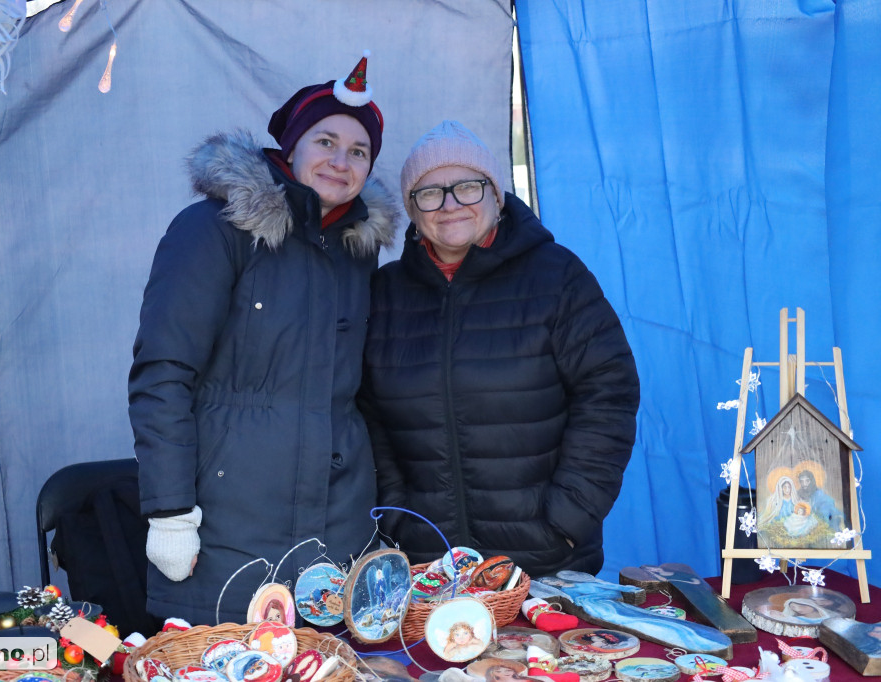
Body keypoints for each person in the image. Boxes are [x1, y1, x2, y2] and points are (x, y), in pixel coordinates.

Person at [128, 53, 399, 625]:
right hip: (230, 526)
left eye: (358, 151)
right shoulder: (213, 230)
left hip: (337, 531)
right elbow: (163, 372)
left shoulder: (358, 251)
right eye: (325, 141)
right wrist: (171, 510)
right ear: (292, 147)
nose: (339, 161)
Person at [360, 120, 640, 577]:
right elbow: (367, 413)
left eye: (468, 187)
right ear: (412, 209)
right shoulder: (385, 293)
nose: (450, 205)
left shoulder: (557, 277)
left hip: (545, 562)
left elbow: (609, 394)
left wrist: (567, 519)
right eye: (430, 193)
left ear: (496, 194)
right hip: (429, 567)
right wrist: (397, 516)